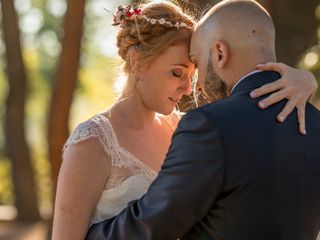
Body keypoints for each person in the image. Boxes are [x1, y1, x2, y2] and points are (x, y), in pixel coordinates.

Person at [52, 1, 318, 240]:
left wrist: (305, 79)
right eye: (177, 72)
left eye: (192, 74)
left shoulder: (192, 128)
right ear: (136, 62)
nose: (189, 89)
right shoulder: (93, 141)